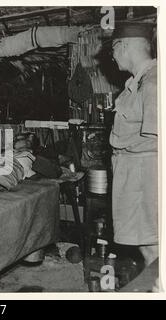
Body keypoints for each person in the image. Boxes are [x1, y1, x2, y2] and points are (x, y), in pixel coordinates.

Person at [109, 22, 158, 266]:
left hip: (145, 178)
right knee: (147, 246)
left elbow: (158, 140)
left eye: (113, 49)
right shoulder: (138, 82)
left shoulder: (154, 81)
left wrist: (123, 147)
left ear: (124, 45)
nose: (113, 56)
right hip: (136, 176)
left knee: (154, 248)